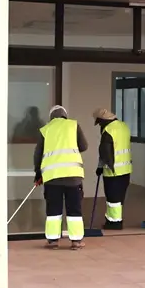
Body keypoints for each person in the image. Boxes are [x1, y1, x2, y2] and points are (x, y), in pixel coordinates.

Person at [33, 105, 89, 249]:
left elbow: (37, 154)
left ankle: (53, 241)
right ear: (65, 115)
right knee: (74, 209)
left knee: (53, 209)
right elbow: (84, 146)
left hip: (52, 177)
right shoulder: (73, 125)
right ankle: (76, 241)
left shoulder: (45, 130)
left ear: (51, 117)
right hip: (73, 176)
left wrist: (38, 174)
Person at [92, 107, 132, 230]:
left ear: (103, 120)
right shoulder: (124, 126)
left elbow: (104, 152)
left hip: (112, 171)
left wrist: (100, 167)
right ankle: (113, 219)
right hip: (125, 169)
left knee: (112, 198)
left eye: (99, 122)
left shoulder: (108, 130)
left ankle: (115, 223)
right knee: (119, 198)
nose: (99, 125)